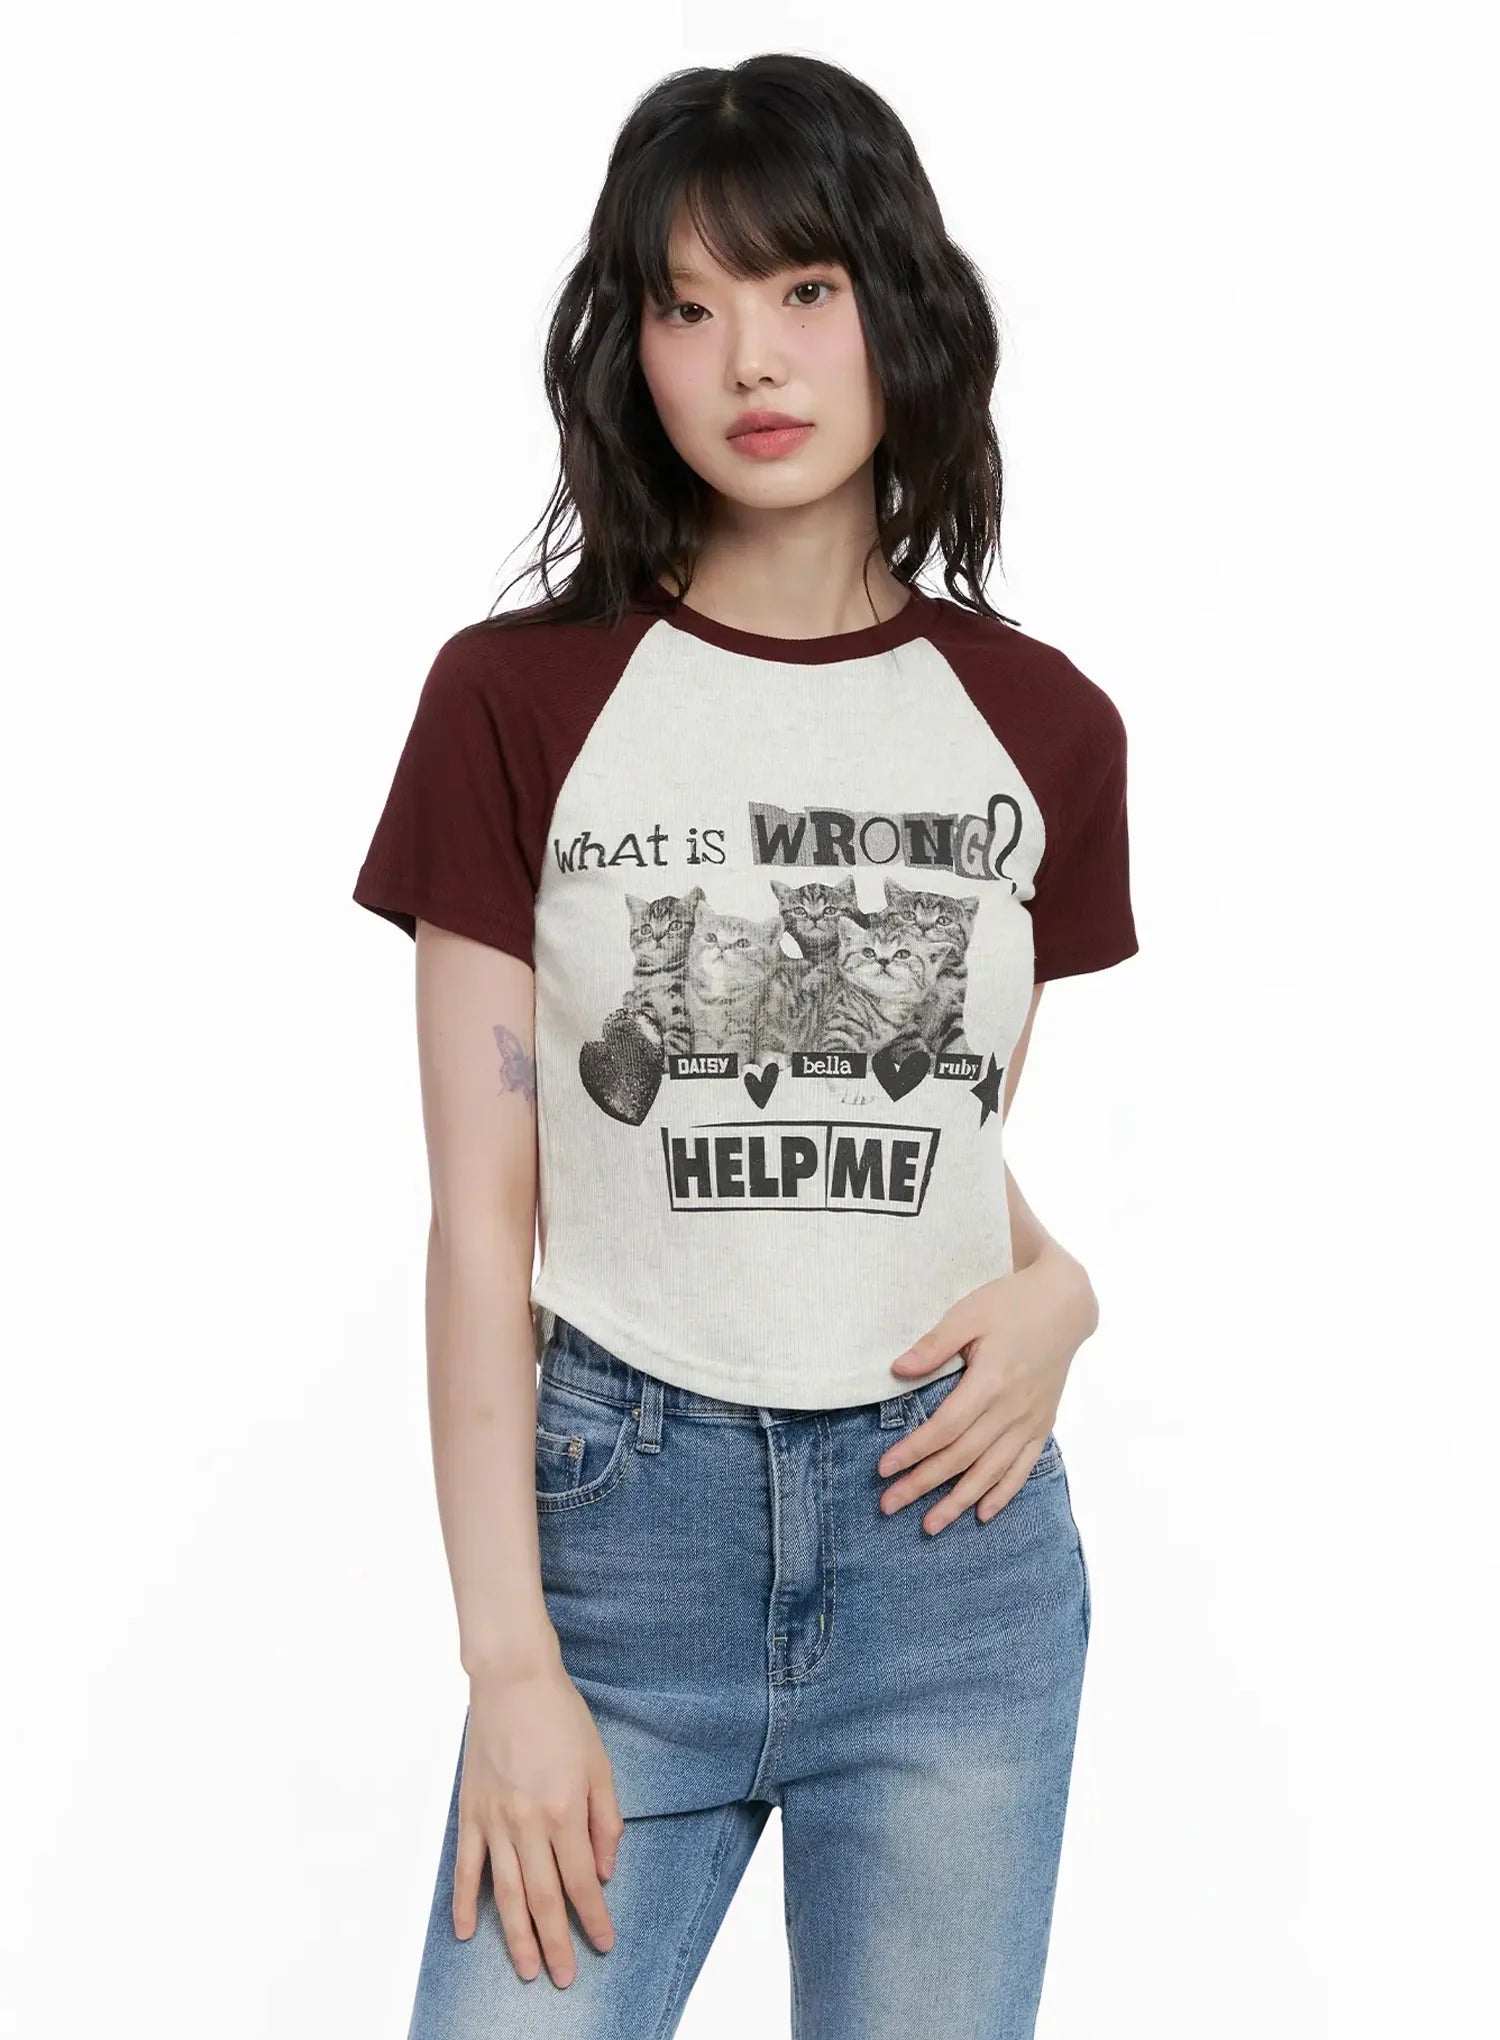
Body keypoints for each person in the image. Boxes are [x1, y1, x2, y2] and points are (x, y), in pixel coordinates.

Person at [352, 51, 1138, 2040]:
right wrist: (510, 1664)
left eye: (802, 289)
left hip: (952, 1559)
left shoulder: (1043, 728)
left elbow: (918, 1131)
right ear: (630, 351)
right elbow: (483, 1218)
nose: (751, 360)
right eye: (686, 306)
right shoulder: (520, 701)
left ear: (900, 309)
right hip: (622, 1546)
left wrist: (1059, 1288)